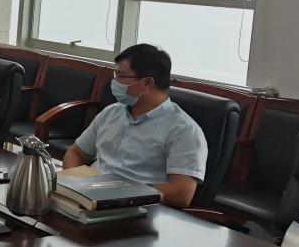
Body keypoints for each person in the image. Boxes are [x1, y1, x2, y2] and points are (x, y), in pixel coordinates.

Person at [62, 44, 207, 209]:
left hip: (138, 207)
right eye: (115, 74)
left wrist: (119, 196)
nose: (114, 82)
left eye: (121, 76)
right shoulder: (111, 112)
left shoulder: (184, 130)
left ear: (146, 83)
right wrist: (76, 185)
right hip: (90, 196)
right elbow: (75, 153)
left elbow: (181, 193)